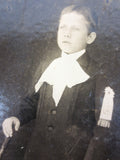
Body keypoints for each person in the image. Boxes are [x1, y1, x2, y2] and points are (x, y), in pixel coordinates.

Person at [2, 5, 114, 160]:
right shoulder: (49, 65)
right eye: (63, 27)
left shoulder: (97, 75)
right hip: (36, 153)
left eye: (75, 29)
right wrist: (18, 117)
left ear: (90, 37)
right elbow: (35, 101)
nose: (67, 34)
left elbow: (101, 130)